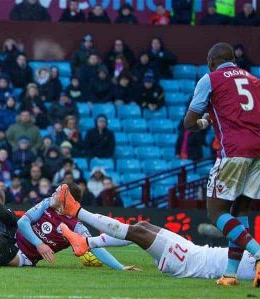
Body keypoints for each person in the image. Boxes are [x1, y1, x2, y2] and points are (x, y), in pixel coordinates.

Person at [183, 42, 260, 286]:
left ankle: (258, 253)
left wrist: (204, 124)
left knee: (217, 212)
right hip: (258, 152)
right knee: (239, 212)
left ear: (211, 61)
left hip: (233, 152)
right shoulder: (254, 80)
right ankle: (229, 274)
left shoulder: (211, 79)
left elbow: (189, 122)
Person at [55, 191, 257, 281]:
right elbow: (239, 234)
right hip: (199, 252)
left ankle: (77, 211)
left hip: (191, 264)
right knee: (142, 225)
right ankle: (86, 243)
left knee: (137, 233)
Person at [15, 183, 137, 270]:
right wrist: (39, 244)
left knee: (4, 259)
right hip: (11, 238)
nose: (53, 193)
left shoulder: (76, 227)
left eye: (57, 192)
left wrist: (120, 267)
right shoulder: (47, 203)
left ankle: (134, 238)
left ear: (65, 200)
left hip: (26, 256)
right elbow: (22, 223)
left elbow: (95, 247)